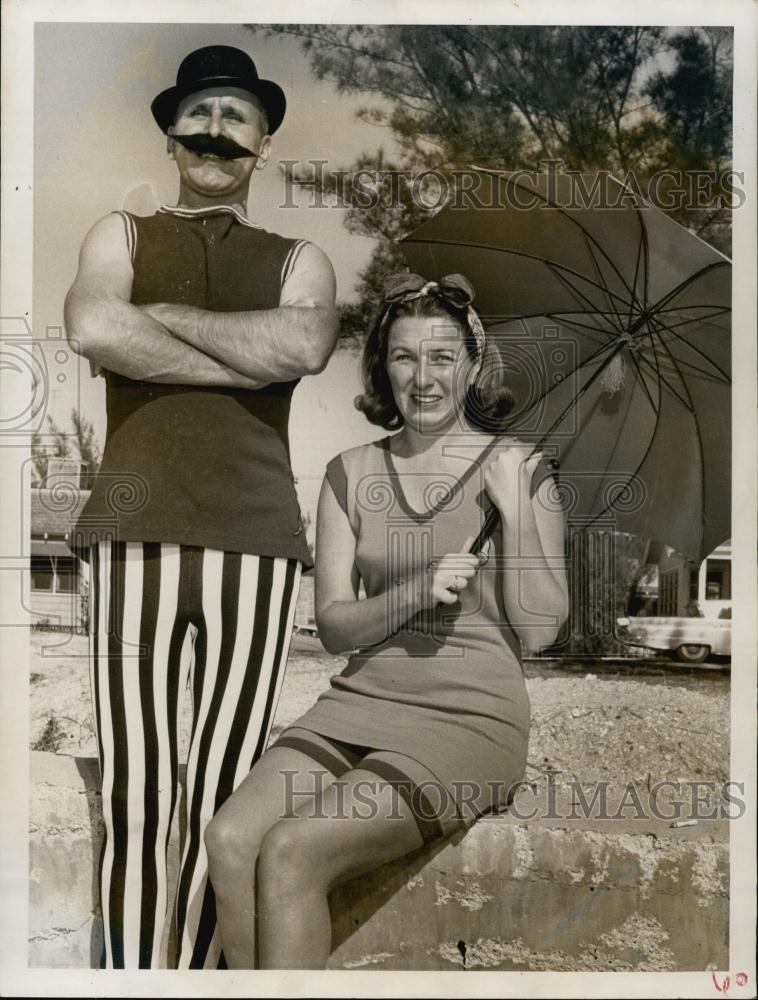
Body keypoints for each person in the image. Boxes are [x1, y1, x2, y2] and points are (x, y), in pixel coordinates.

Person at [204, 272, 569, 969]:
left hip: (468, 720)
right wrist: (416, 590)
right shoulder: (350, 472)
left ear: (470, 361)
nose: (423, 377)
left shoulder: (519, 469)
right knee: (231, 839)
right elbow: (335, 627)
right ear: (383, 364)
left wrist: (518, 510)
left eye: (441, 357)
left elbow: (543, 629)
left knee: (292, 850)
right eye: (405, 357)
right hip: (360, 705)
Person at [64, 45, 338, 969]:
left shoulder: (301, 257)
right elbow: (95, 326)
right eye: (201, 113)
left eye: (237, 116)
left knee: (223, 789)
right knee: (139, 790)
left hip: (256, 541)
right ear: (170, 133)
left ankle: (196, 982)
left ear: (263, 143)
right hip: (131, 531)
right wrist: (239, 359)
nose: (216, 130)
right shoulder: (121, 233)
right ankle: (137, 981)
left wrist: (163, 319)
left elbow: (302, 345)